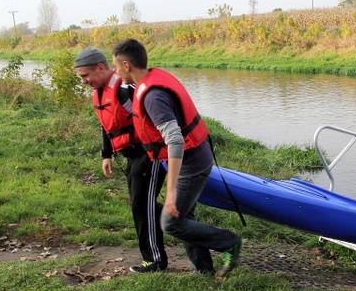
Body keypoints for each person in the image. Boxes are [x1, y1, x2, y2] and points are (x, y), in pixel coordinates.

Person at [111, 38, 242, 277]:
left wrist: (170, 191)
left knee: (171, 222)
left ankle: (228, 242)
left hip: (191, 166)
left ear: (127, 65)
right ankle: (204, 272)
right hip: (194, 159)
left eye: (116, 66)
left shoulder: (153, 96)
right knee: (183, 215)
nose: (115, 72)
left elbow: (175, 140)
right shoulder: (149, 81)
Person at [74, 48, 167, 273]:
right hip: (132, 155)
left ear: (101, 67)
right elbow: (107, 124)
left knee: (142, 206)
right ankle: (179, 217)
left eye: (86, 76)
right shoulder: (101, 90)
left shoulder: (126, 89)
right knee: (142, 205)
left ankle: (156, 260)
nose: (84, 81)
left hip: (150, 154)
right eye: (80, 78)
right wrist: (106, 155)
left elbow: (156, 111)